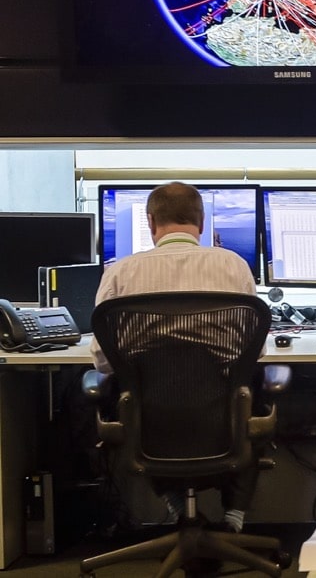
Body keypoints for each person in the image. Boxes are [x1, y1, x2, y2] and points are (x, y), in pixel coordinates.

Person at [90, 181, 261, 534]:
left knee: (127, 402)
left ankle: (180, 509)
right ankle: (233, 523)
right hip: (221, 420)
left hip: (150, 425)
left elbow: (103, 363)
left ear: (151, 223)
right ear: (201, 221)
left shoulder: (120, 273)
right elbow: (254, 351)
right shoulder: (234, 266)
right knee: (252, 400)